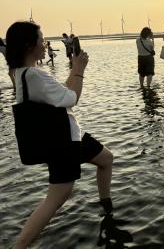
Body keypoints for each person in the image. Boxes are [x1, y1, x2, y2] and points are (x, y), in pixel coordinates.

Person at [6, 21, 114, 248]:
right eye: (41, 39)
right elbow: (72, 98)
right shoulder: (34, 75)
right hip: (62, 141)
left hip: (71, 135)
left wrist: (74, 70)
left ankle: (107, 208)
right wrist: (79, 70)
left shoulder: (21, 73)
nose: (45, 44)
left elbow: (62, 93)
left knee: (106, 159)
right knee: (55, 199)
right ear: (29, 45)